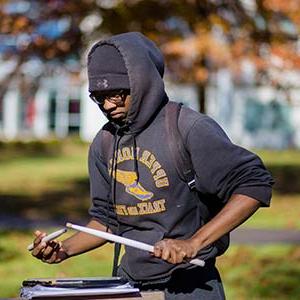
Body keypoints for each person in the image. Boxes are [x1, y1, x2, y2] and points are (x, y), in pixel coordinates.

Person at [31, 32, 274, 299]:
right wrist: (63, 250)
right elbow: (107, 220)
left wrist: (194, 242)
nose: (108, 105)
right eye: (98, 97)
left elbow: (254, 184)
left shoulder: (187, 128)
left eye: (117, 94)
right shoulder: (104, 142)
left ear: (142, 82)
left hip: (190, 285)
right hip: (129, 286)